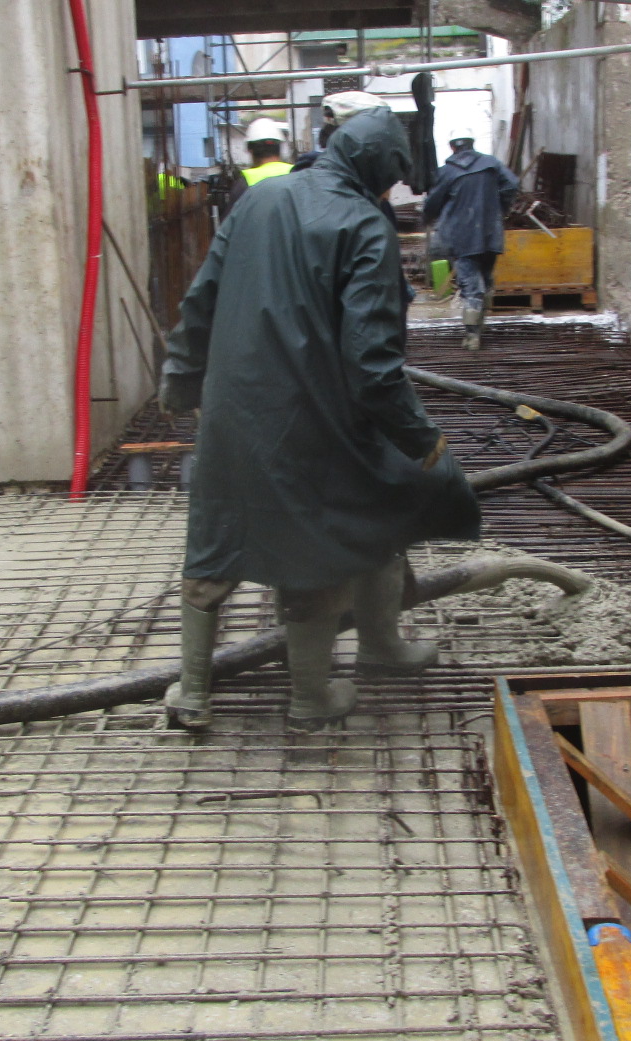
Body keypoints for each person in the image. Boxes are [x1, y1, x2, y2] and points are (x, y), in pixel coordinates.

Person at [159, 107, 479, 727]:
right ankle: (311, 697)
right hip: (315, 420)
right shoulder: (364, 225)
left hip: (231, 411)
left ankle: (193, 692)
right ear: (377, 172)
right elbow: (372, 363)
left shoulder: (259, 200)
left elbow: (201, 297)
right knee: (318, 544)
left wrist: (179, 378)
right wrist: (421, 439)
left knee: (216, 540)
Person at [423, 135, 519, 350]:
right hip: (490, 232)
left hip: (463, 236)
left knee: (470, 284)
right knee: (485, 278)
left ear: (452, 147)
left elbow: (433, 202)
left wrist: (428, 216)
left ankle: (472, 334)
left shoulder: (447, 171)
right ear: (472, 143)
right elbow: (511, 184)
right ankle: (481, 324)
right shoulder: (491, 164)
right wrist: (500, 208)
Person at [220, 118, 293, 216]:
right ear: (279, 148)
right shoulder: (296, 173)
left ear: (250, 150)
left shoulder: (245, 182)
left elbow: (230, 226)